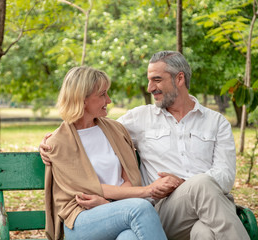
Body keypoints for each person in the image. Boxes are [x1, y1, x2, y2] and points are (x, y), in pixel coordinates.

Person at [41, 51, 250, 240]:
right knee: (198, 185)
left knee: (203, 231)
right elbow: (75, 137)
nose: (150, 88)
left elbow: (225, 176)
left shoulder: (216, 122)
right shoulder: (138, 119)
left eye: (157, 80)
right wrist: (46, 144)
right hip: (157, 211)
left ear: (179, 79)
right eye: (149, 80)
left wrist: (183, 184)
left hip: (207, 209)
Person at [44, 66, 167, 240]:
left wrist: (106, 203)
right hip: (80, 219)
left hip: (119, 211)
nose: (108, 100)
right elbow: (87, 190)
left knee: (129, 237)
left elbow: (129, 180)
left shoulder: (116, 130)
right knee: (141, 208)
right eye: (102, 94)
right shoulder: (58, 143)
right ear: (82, 99)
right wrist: (147, 191)